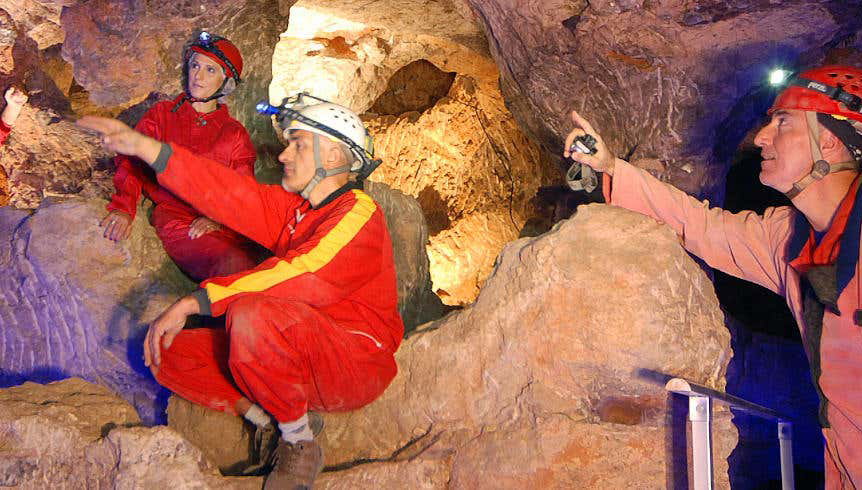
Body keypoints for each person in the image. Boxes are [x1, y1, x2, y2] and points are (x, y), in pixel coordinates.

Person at [78, 95, 404, 489]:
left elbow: (305, 274)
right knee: (163, 349)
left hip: (353, 362)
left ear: (333, 155)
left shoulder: (359, 212)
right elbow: (227, 192)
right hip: (298, 355)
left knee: (249, 314)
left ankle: (299, 443)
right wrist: (147, 148)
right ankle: (269, 419)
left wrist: (197, 300)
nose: (283, 155)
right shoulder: (296, 211)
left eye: (298, 144)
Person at [565, 64, 862, 488]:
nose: (760, 137)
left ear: (829, 139)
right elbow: (701, 226)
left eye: (783, 122)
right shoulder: (789, 237)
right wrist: (611, 166)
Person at [101, 31, 259, 282]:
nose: (198, 76)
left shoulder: (234, 133)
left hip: (226, 224)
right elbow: (131, 162)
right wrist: (123, 208)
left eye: (210, 70)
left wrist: (217, 218)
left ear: (226, 81)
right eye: (195, 65)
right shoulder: (162, 115)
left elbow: (244, 187)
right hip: (177, 218)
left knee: (264, 269)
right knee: (232, 266)